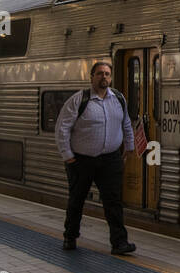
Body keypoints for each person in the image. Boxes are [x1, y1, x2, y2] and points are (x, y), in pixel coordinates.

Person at [55, 61, 138, 254]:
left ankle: (119, 243)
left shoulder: (118, 98)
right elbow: (62, 128)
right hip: (81, 160)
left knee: (114, 202)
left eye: (107, 74)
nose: (104, 77)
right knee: (77, 199)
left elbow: (126, 123)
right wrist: (68, 156)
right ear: (92, 77)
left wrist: (130, 146)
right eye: (100, 73)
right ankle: (70, 236)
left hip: (110, 159)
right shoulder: (79, 100)